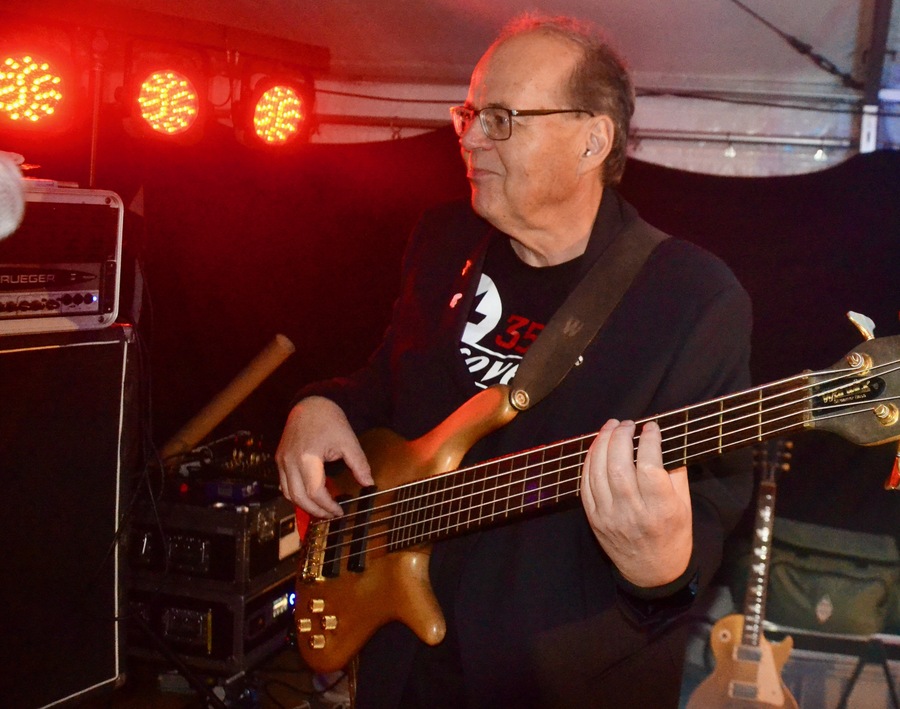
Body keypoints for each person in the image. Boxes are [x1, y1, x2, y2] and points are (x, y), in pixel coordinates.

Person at [277, 14, 753, 708]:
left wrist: (661, 572)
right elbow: (388, 382)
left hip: (554, 680)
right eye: (469, 114)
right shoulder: (444, 240)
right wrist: (321, 404)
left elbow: (709, 509)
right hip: (402, 665)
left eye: (501, 119)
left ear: (593, 140)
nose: (470, 138)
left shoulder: (690, 297)